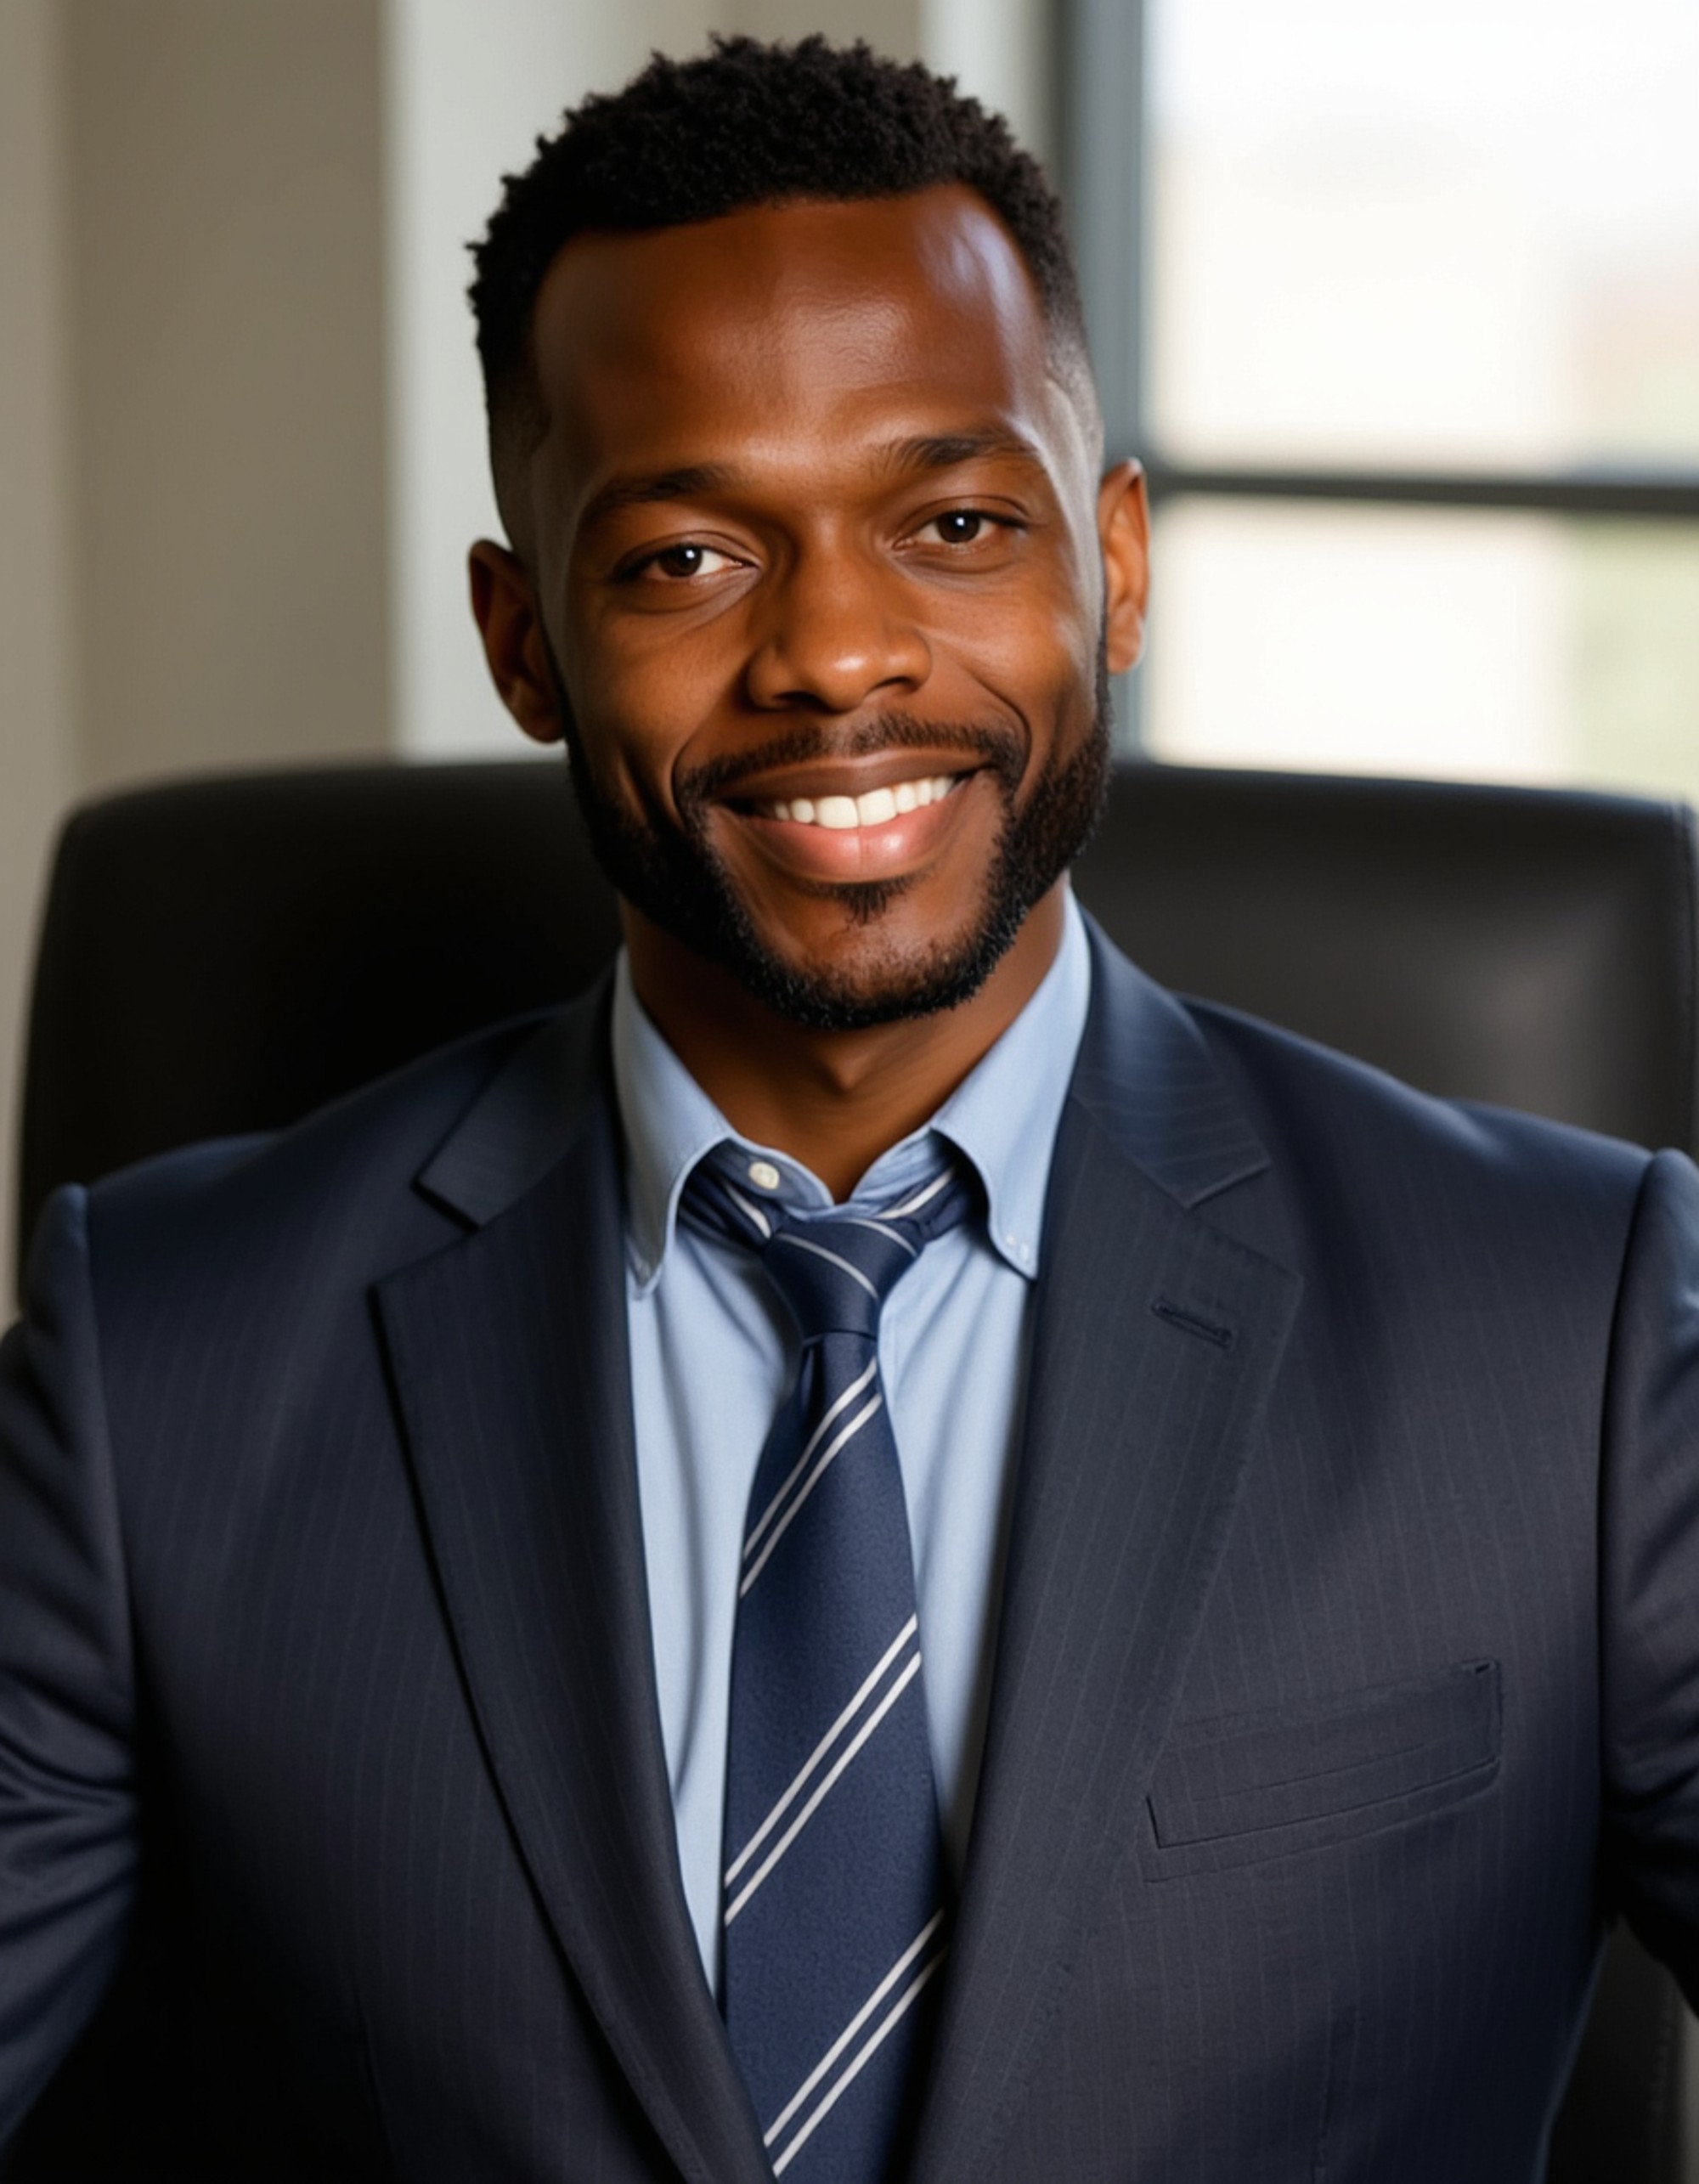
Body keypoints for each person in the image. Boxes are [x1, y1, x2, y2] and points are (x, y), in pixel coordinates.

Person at [3, 33, 1699, 2184]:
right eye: (689, 559)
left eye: (957, 522)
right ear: (525, 644)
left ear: (1118, 567)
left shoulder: (1568, 1337)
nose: (835, 653)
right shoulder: (159, 1366)